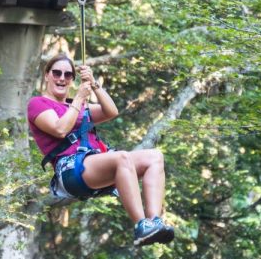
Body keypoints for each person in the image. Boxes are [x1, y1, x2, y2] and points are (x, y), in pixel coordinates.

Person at [26, 53, 175, 247]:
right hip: (70, 170)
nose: (62, 78)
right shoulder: (38, 103)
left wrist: (94, 84)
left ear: (72, 79)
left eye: (68, 75)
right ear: (47, 75)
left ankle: (154, 221)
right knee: (121, 157)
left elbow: (111, 111)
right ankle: (141, 224)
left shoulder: (75, 105)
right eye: (56, 73)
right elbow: (60, 129)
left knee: (155, 157)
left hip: (91, 164)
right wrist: (79, 98)